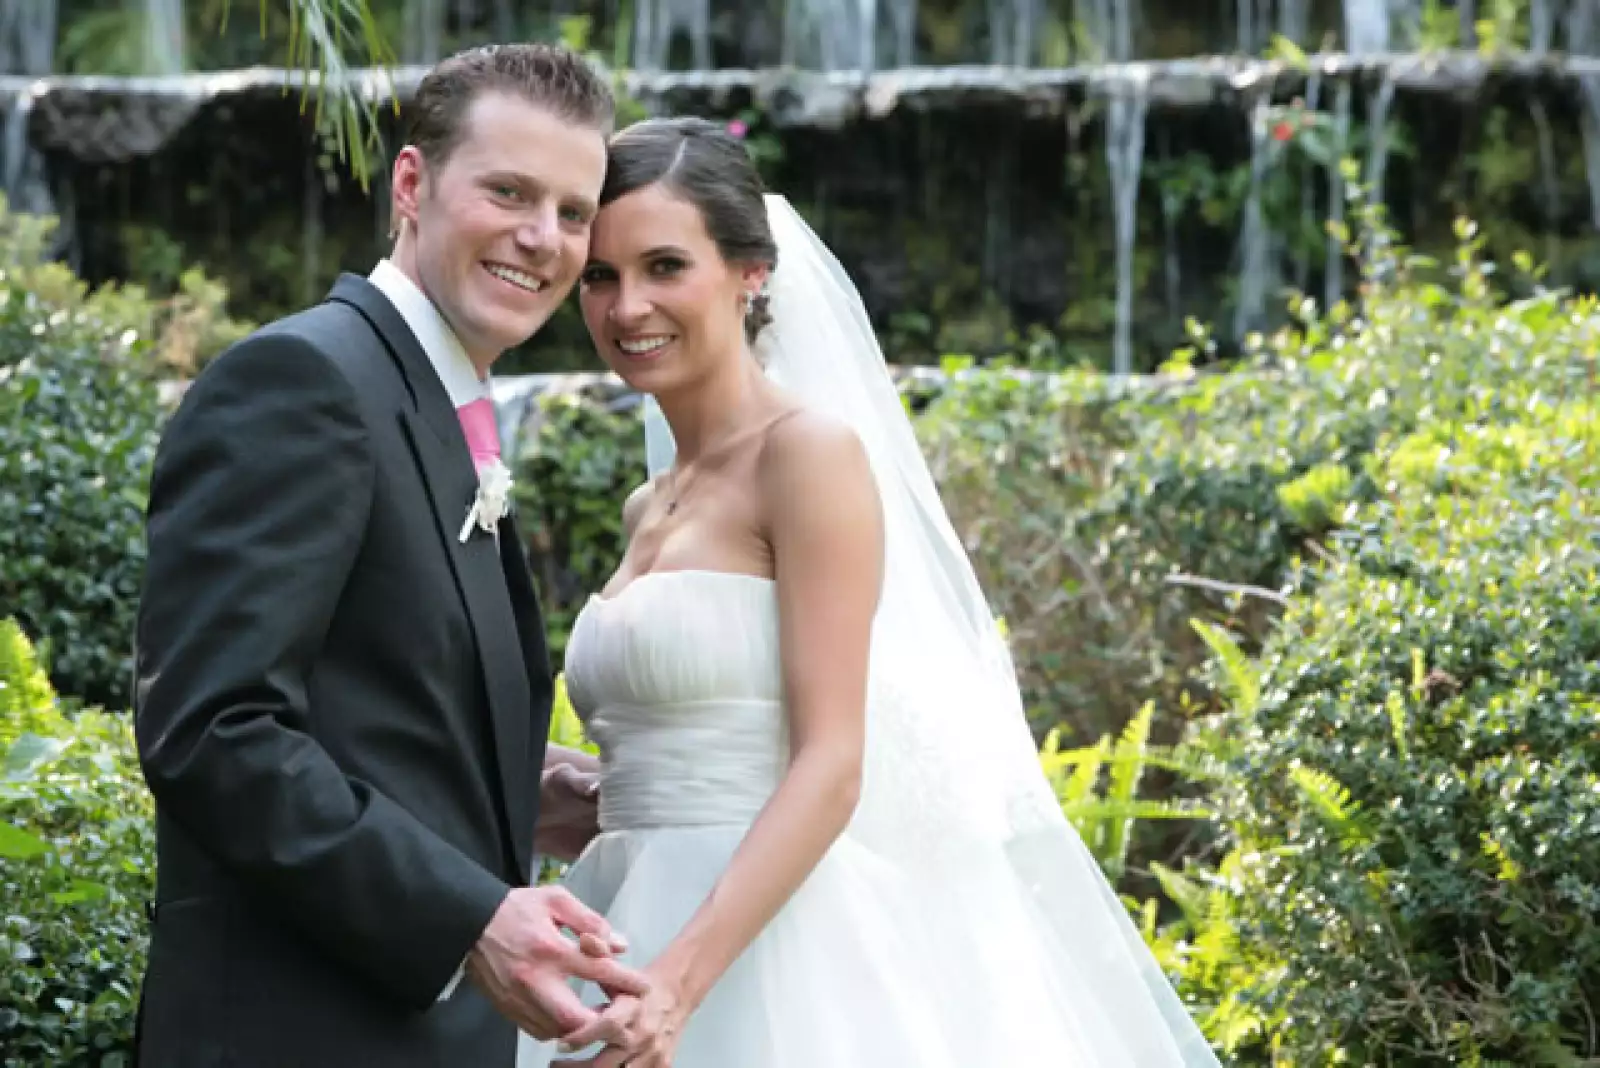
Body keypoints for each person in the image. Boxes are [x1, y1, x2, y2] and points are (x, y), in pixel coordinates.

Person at [517, 115, 1225, 1067]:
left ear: (750, 272)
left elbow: (832, 763)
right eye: (601, 276)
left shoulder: (806, 455)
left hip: (756, 951)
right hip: (622, 921)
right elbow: (693, 743)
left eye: (665, 267)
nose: (626, 306)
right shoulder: (651, 502)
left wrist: (676, 987)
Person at [131, 43, 650, 1067]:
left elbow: (377, 708)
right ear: (411, 185)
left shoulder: (431, 397)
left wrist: (537, 791)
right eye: (508, 192)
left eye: (572, 212)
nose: (542, 238)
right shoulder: (303, 383)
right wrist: (466, 918)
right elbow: (215, 730)